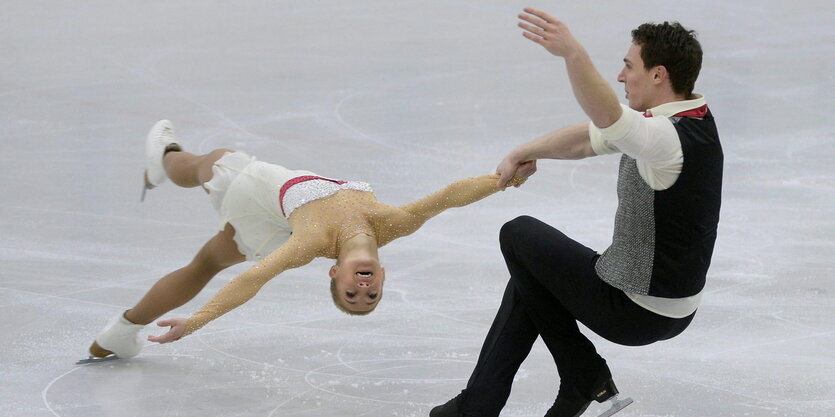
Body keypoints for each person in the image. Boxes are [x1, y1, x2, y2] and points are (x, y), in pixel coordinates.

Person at [431, 8, 722, 417]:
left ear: (658, 74)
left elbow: (607, 117)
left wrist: (573, 55)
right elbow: (589, 139)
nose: (620, 76)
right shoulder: (686, 118)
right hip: (673, 306)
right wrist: (524, 152)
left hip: (636, 308)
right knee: (531, 274)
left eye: (627, 65)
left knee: (519, 234)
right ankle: (480, 406)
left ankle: (583, 374)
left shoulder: (663, 138)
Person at [87, 120, 525, 360]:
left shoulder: (311, 241)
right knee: (206, 263)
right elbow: (448, 198)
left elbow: (253, 280)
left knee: (212, 161)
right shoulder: (393, 224)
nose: (363, 288)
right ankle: (119, 331)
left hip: (251, 190)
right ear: (383, 276)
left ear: (334, 273)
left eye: (351, 294)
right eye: (370, 296)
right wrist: (502, 179)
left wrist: (195, 322)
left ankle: (164, 161)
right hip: (271, 219)